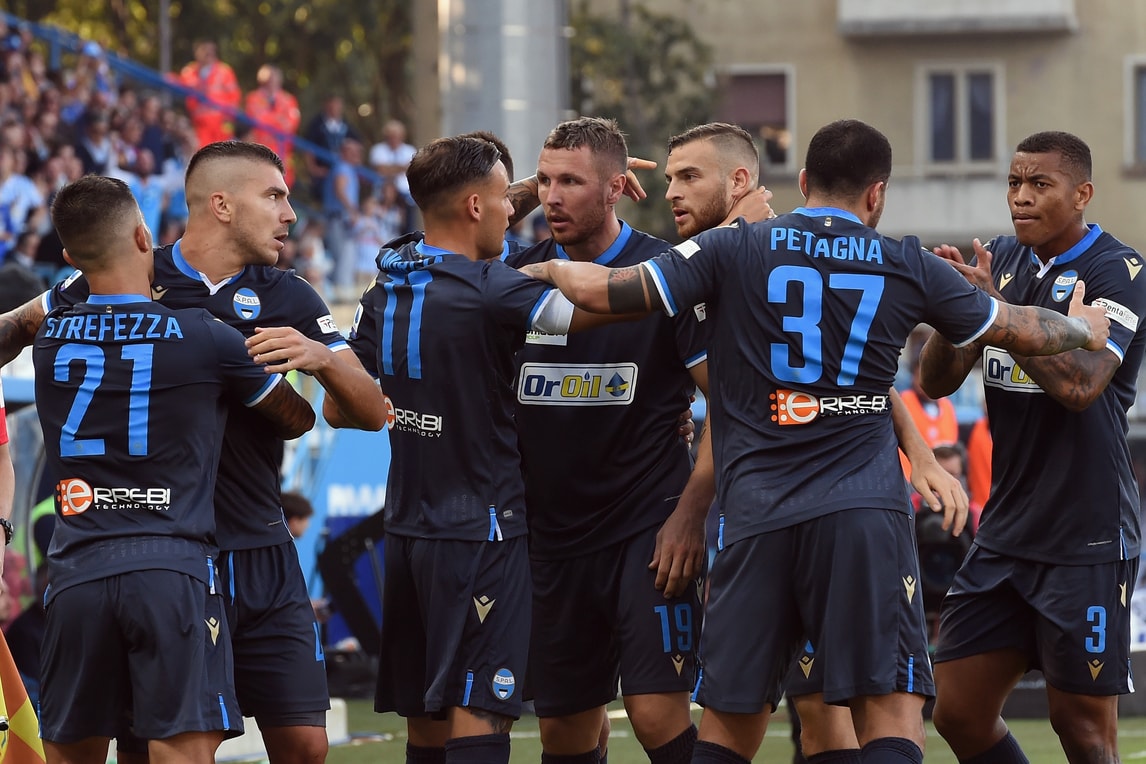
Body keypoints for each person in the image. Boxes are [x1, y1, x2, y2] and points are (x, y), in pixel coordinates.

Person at [518, 118, 1111, 764]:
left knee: (728, 726)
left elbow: (605, 290)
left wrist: (530, 270)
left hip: (756, 517)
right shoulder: (905, 262)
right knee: (887, 713)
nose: (674, 191)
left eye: (688, 175)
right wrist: (1085, 329)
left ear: (801, 182)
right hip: (861, 516)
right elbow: (1018, 327)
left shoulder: (730, 250)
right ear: (877, 194)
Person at [0, 141, 389, 764]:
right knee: (154, 742)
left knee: (305, 744)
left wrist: (320, 358)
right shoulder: (126, 272)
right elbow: (20, 324)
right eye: (274, 196)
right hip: (173, 550)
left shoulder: (292, 296)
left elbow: (371, 413)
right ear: (222, 205)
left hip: (257, 545)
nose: (289, 214)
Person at [662, 121, 970, 764]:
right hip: (800, 513)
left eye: (689, 176)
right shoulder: (695, 266)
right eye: (669, 178)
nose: (672, 193)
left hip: (780, 512)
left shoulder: (745, 254)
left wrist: (916, 451)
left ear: (741, 181)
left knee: (822, 713)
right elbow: (810, 385)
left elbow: (842, 379)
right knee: (831, 711)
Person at [327, 134, 616, 764]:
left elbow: (338, 411)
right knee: (480, 712)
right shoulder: (493, 287)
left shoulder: (388, 282)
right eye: (505, 198)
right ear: (476, 206)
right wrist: (554, 268)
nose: (515, 209)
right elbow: (604, 304)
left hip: (407, 528)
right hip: (482, 530)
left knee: (427, 726)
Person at [34, 174, 314, 764]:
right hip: (171, 566)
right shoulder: (204, 335)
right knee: (179, 752)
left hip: (76, 571)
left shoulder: (49, 338)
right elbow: (296, 419)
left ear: (70, 259)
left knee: (69, 754)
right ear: (144, 238)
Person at [919, 130, 1146, 764]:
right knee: (958, 712)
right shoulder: (999, 260)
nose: (1021, 197)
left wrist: (1000, 312)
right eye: (1015, 183)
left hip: (1085, 536)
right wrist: (962, 314)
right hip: (1005, 534)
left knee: (1082, 731)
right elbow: (934, 383)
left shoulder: (1118, 271)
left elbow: (1081, 386)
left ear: (1082, 194)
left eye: (1040, 184)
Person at [504, 116, 723, 764]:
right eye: (544, 181)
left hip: (648, 530)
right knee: (565, 732)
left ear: (616, 189)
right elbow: (445, 233)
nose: (552, 197)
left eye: (571, 182)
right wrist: (526, 187)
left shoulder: (664, 274)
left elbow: (728, 405)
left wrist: (690, 514)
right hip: (548, 538)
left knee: (656, 715)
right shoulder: (515, 278)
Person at [174, 40, 241, 148]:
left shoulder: (224, 71)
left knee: (223, 151)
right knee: (204, 151)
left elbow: (234, 95)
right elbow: (180, 87)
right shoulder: (189, 71)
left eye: (211, 50)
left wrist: (230, 116)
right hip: (199, 122)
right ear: (197, 52)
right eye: (204, 49)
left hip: (221, 122)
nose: (208, 53)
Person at [244, 65, 301, 185]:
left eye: (274, 79)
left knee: (281, 187)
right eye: (268, 80)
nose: (271, 83)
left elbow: (291, 125)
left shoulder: (289, 100)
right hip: (258, 152)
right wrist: (278, 119)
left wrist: (269, 119)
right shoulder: (253, 98)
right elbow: (256, 121)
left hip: (282, 153)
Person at [368, 119, 418, 229]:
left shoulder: (409, 150)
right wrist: (402, 167)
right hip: (384, 194)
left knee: (407, 226)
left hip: (406, 195)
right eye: (391, 136)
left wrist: (390, 168)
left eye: (397, 136)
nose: (394, 139)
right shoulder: (378, 150)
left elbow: (412, 169)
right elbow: (380, 169)